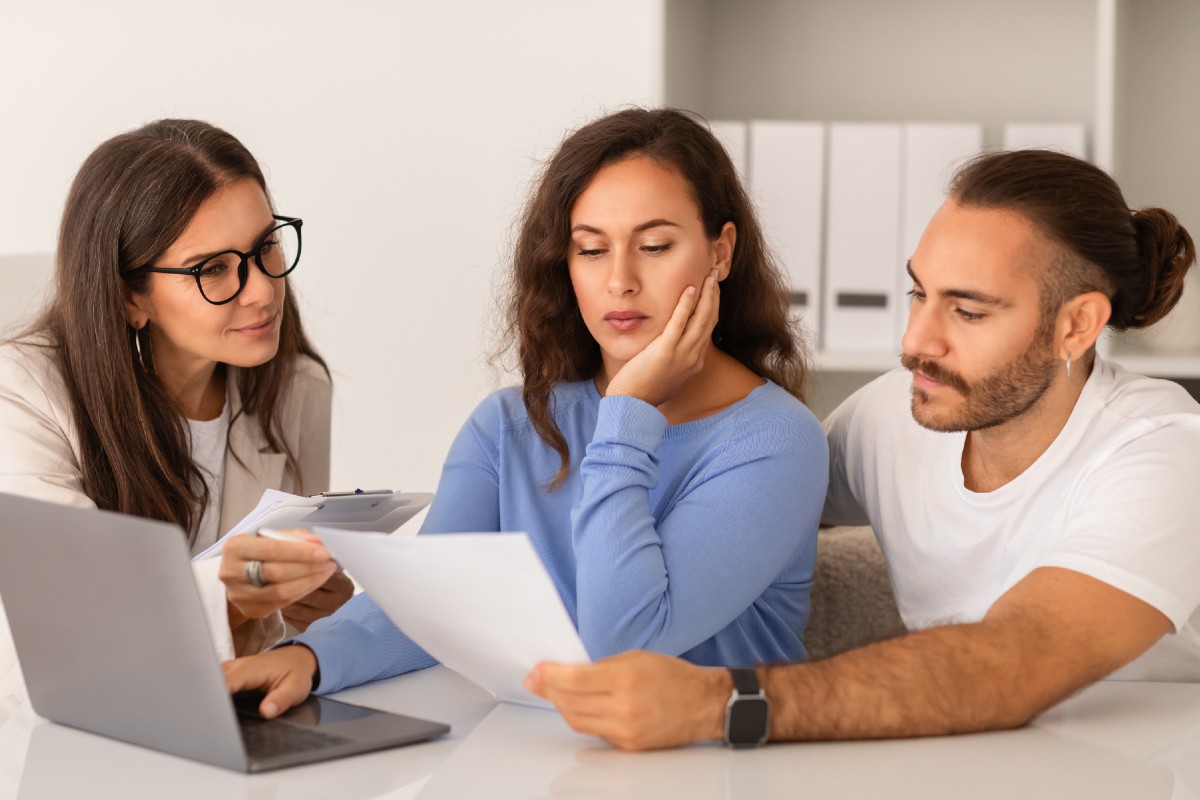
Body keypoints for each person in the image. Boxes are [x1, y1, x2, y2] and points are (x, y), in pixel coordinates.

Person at [525, 148, 1200, 750]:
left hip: (1147, 766)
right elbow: (746, 502)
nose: (917, 342)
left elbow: (1012, 659)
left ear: (1076, 325)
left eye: (967, 311)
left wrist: (718, 702)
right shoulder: (892, 415)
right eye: (918, 293)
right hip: (971, 759)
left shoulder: (1162, 452)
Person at [223, 107, 828, 717]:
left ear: (720, 252)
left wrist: (625, 413)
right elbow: (430, 602)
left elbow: (624, 645)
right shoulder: (509, 427)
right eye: (591, 250)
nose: (620, 280)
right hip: (538, 765)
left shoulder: (776, 441)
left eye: (654, 245)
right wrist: (307, 657)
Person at [0, 120, 351, 700]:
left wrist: (310, 612)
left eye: (265, 246)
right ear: (128, 297)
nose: (262, 289)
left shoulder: (296, 391)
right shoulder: (22, 396)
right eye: (212, 269)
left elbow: (271, 646)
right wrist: (233, 594)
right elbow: (56, 639)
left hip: (225, 731)